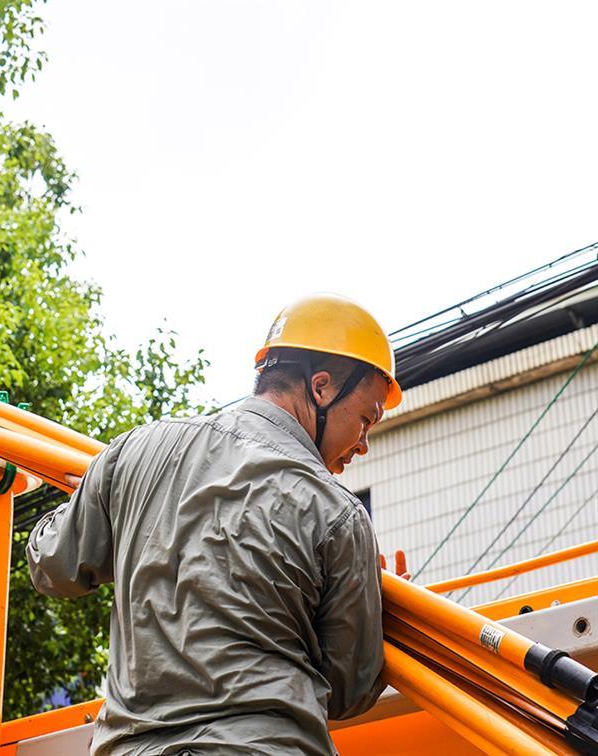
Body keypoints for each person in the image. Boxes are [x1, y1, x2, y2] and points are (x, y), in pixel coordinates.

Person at [27, 294, 403, 755]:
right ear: (321, 387)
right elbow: (349, 692)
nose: (363, 444)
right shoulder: (336, 513)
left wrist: (90, 495)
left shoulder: (133, 452)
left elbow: (52, 566)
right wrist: (379, 614)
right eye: (366, 419)